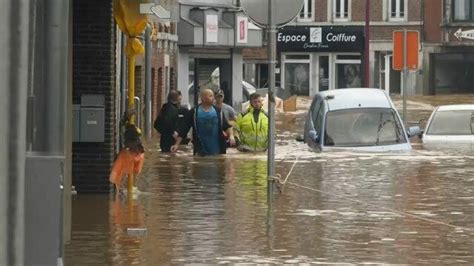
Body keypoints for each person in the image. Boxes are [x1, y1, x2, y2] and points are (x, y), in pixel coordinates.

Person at [171, 89, 236, 156]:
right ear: (203, 99)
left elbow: (227, 126)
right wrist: (176, 145)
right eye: (210, 96)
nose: (213, 98)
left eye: (213, 96)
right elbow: (184, 129)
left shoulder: (218, 112)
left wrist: (231, 136)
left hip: (218, 150)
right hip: (200, 151)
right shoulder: (194, 112)